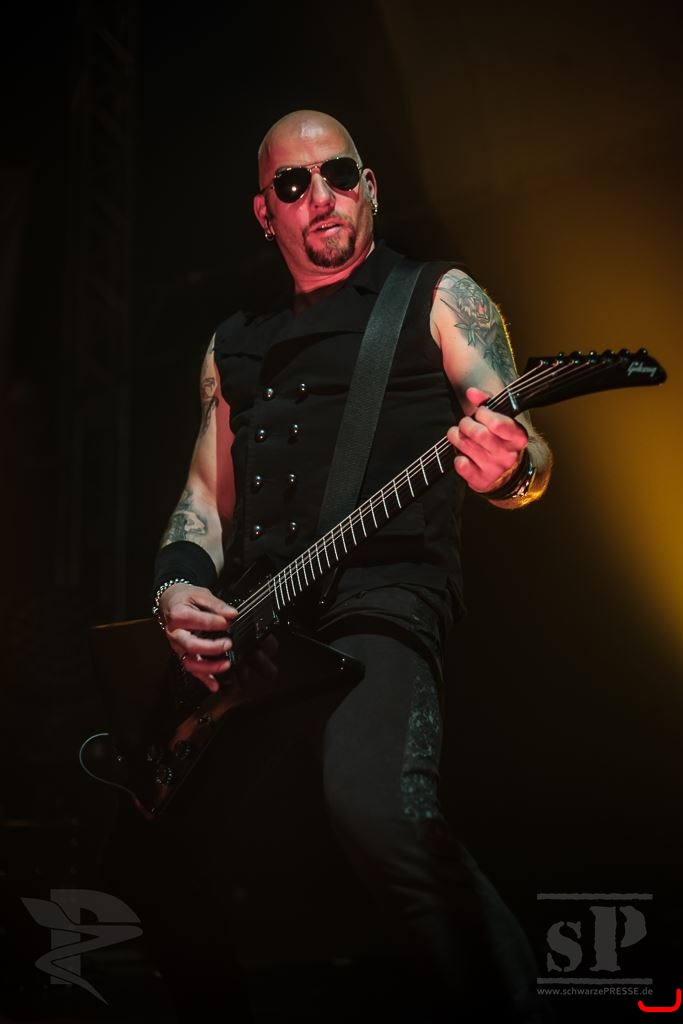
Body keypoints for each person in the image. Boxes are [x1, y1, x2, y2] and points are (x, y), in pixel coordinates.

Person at [123, 109, 555, 1022]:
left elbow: (521, 446)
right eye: (293, 183)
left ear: (369, 187)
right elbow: (204, 494)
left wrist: (512, 471)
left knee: (377, 812)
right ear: (264, 211)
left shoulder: (436, 296)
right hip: (260, 626)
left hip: (382, 600)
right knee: (148, 852)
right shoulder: (234, 343)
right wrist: (175, 586)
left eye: (339, 174)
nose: (319, 196)